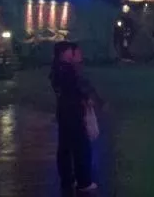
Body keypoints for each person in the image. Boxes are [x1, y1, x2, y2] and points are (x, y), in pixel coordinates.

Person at [50, 41, 102, 193]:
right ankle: (84, 182)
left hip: (63, 112)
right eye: (70, 51)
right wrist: (87, 100)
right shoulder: (68, 70)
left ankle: (67, 180)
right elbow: (77, 89)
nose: (72, 53)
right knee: (81, 147)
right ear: (63, 53)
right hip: (73, 113)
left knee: (65, 148)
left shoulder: (56, 69)